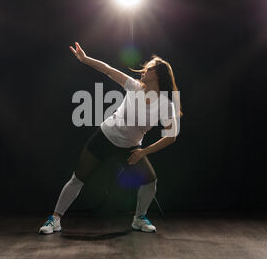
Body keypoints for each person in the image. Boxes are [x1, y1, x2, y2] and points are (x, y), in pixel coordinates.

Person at [39, 42, 181, 234]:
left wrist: (143, 152)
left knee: (150, 181)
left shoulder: (165, 104)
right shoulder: (134, 86)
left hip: (130, 147)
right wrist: (84, 59)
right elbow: (107, 70)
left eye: (148, 69)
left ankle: (139, 218)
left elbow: (171, 137)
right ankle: (54, 219)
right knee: (78, 177)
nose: (143, 71)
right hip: (105, 137)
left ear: (157, 74)